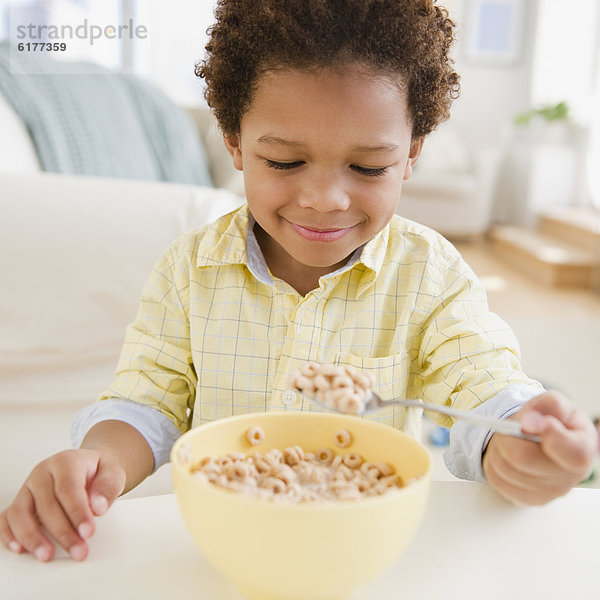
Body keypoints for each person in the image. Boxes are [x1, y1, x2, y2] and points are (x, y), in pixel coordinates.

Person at [1, 0, 596, 563]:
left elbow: (480, 382)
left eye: (368, 168)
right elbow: (146, 399)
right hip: (222, 545)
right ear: (234, 140)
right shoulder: (189, 270)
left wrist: (516, 438)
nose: (324, 200)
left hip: (362, 551)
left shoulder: (432, 277)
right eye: (284, 162)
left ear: (412, 153)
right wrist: (97, 460)